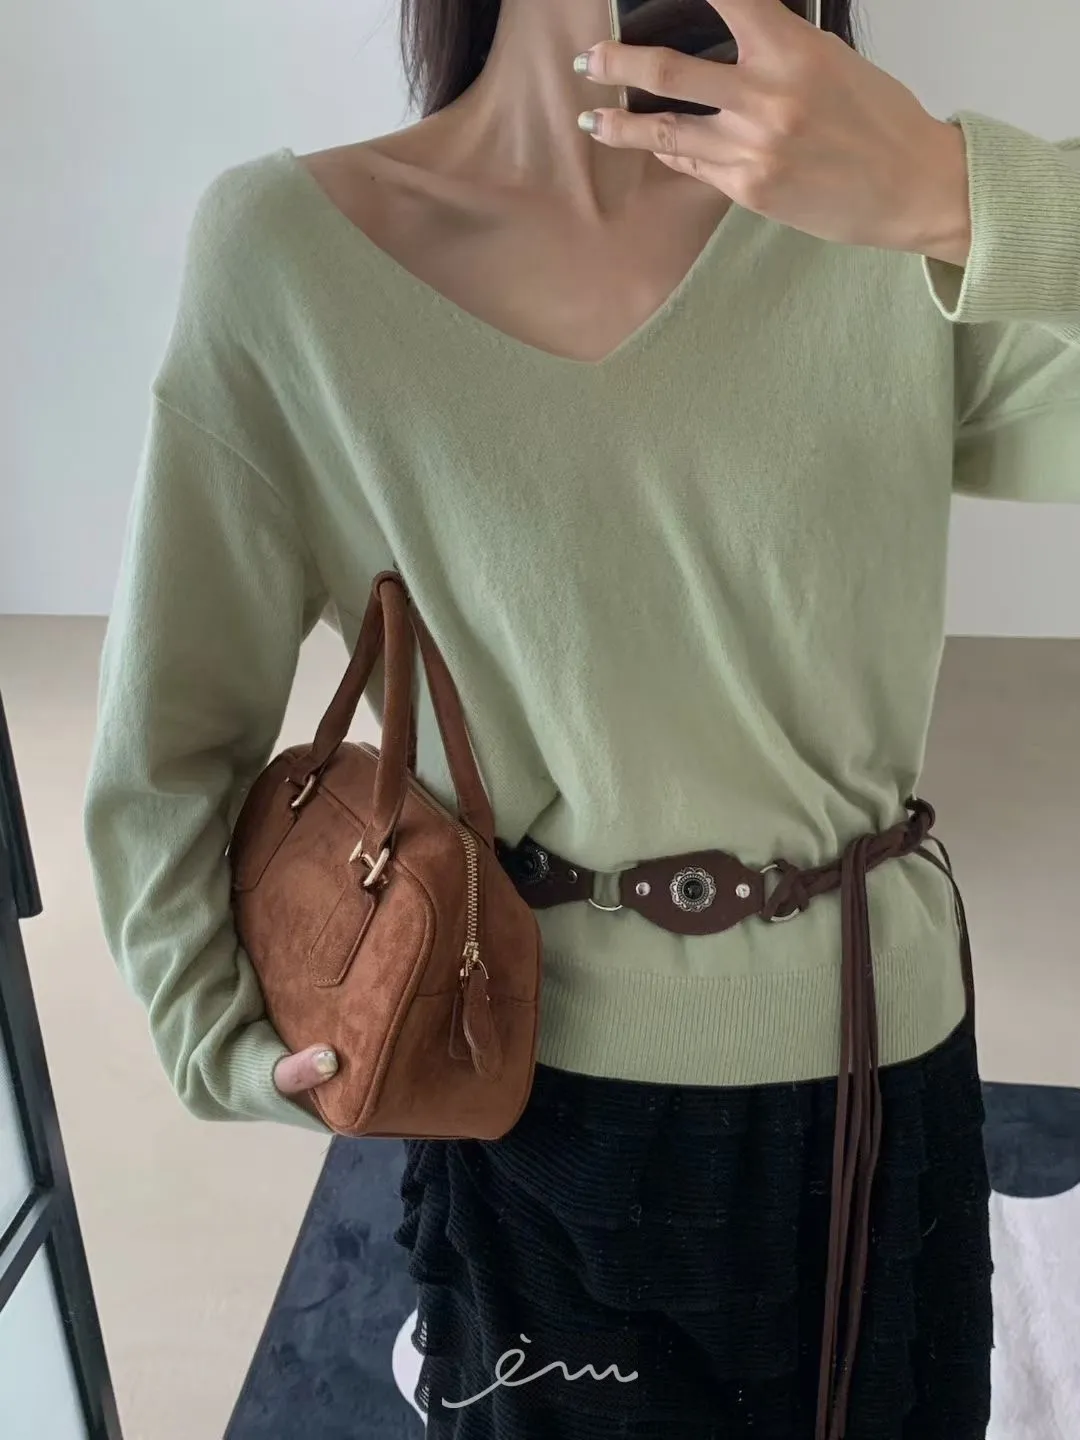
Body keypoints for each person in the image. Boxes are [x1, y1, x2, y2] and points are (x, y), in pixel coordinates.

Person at [83, 0, 1080, 1436]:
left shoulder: (878, 213)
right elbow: (173, 732)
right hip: (522, 1080)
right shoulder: (290, 258)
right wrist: (218, 1029)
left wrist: (960, 194)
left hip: (881, 1063)